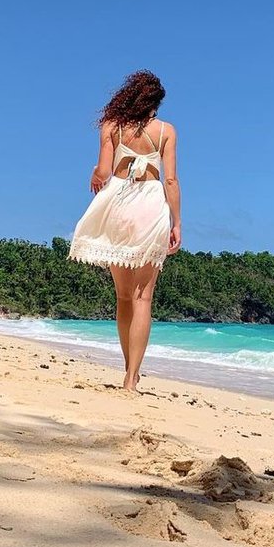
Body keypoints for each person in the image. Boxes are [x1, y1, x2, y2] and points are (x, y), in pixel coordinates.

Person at [69, 70, 181, 390]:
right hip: (150, 206)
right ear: (155, 103)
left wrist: (95, 173)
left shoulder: (112, 125)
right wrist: (177, 222)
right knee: (143, 297)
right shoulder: (166, 131)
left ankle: (126, 368)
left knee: (123, 297)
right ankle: (132, 378)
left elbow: (104, 172)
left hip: (118, 205)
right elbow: (170, 180)